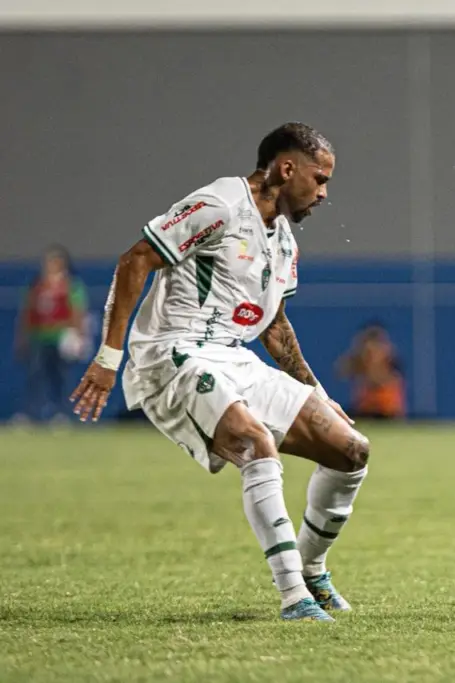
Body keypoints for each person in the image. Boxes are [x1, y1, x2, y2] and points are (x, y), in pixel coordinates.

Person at [70, 123, 369, 622]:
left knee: (351, 451)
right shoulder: (221, 204)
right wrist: (107, 358)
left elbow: (274, 327)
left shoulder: (284, 242)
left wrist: (315, 390)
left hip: (232, 356)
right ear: (287, 168)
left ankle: (313, 570)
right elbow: (135, 260)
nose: (323, 193)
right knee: (255, 443)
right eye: (319, 179)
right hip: (172, 354)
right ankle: (293, 595)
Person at [15, 246, 90, 423]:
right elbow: (27, 312)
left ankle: (62, 414)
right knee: (36, 376)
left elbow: (78, 311)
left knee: (61, 377)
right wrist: (23, 337)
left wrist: (79, 336)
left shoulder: (71, 285)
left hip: (61, 337)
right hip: (40, 337)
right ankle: (31, 413)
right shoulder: (37, 285)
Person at [335, 321, 407, 420]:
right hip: (364, 410)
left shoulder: (390, 359)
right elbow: (341, 371)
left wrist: (373, 363)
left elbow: (378, 380)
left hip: (387, 411)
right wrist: (358, 354)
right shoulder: (360, 360)